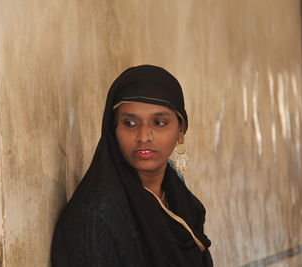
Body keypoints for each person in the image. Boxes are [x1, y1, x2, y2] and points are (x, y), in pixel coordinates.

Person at [51, 65, 213, 267]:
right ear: (113, 129)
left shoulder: (178, 196)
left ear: (181, 130)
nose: (144, 136)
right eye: (130, 123)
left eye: (159, 122)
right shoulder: (96, 216)